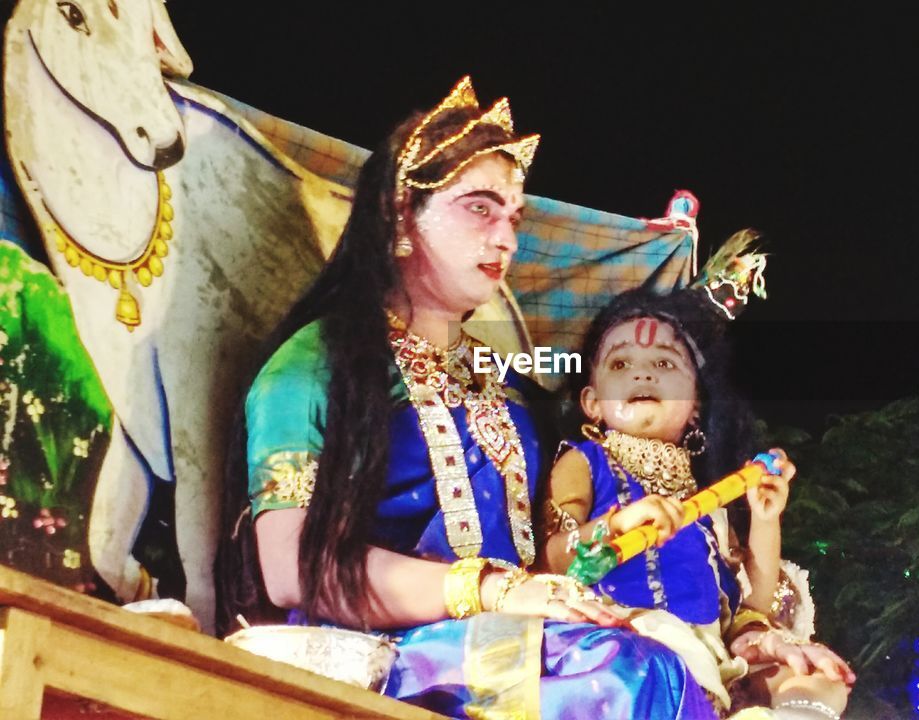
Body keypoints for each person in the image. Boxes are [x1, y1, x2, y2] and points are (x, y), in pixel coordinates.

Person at [216, 77, 720, 719]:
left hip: (511, 639)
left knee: (667, 660)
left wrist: (608, 535)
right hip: (387, 655)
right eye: (479, 207)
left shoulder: (500, 386)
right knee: (633, 677)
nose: (506, 238)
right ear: (400, 215)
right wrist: (487, 588)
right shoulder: (321, 363)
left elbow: (540, 564)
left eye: (512, 217)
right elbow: (292, 568)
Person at [539, 261, 856, 719]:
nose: (642, 375)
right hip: (620, 641)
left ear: (694, 406)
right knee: (654, 667)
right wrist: (612, 526)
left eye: (664, 363)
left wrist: (765, 520)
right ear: (591, 401)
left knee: (818, 681)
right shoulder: (584, 462)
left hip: (708, 654)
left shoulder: (710, 499)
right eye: (621, 363)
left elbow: (752, 607)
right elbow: (551, 557)